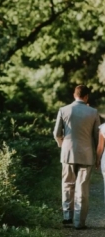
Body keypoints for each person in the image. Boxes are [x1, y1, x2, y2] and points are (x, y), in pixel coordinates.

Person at [53, 85, 100, 230]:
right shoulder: (93, 112)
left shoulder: (63, 110)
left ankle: (67, 217)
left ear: (74, 95)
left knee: (67, 184)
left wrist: (62, 144)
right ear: (86, 97)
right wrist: (98, 157)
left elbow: (56, 133)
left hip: (67, 153)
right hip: (86, 155)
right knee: (82, 188)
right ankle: (79, 222)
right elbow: (97, 137)